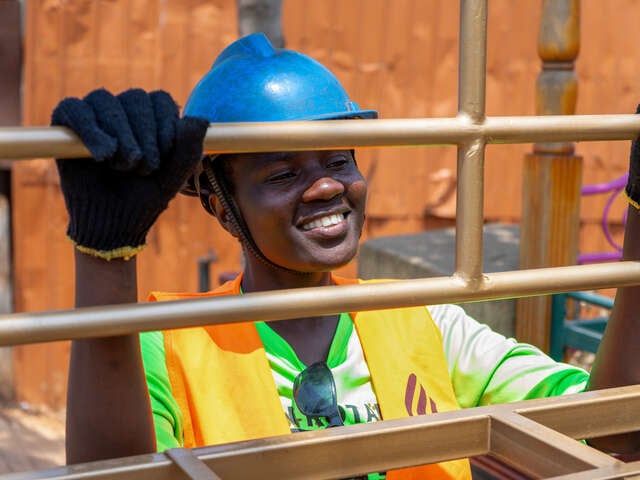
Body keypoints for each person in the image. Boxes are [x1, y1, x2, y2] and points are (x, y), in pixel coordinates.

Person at [51, 33, 640, 479]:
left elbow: (615, 432)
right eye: (282, 172)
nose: (328, 187)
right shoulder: (167, 342)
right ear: (217, 203)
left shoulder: (427, 321)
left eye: (339, 162)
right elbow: (111, 472)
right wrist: (107, 255)